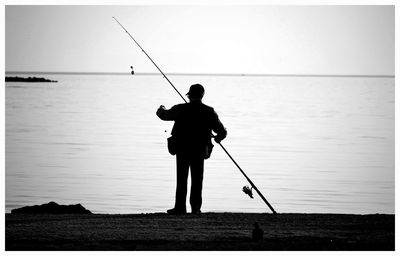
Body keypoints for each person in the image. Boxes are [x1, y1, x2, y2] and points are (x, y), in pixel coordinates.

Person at [156, 84, 227, 214]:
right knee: (197, 179)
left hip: (182, 148)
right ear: (202, 95)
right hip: (199, 150)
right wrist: (218, 138)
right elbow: (222, 131)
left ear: (189, 95)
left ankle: (180, 208)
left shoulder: (180, 109)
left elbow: (163, 115)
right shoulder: (209, 111)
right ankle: (195, 209)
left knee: (181, 178)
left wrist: (161, 108)